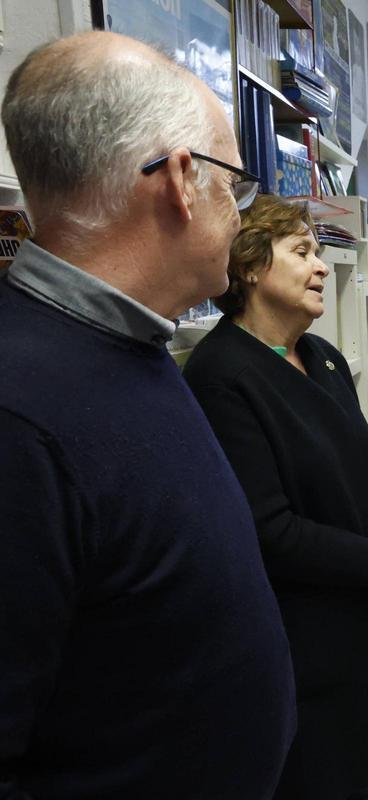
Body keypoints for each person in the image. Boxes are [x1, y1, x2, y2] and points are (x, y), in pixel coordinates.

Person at [0, 32, 295, 797]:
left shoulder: (129, 346)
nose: (240, 214)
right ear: (181, 181)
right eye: (235, 185)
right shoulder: (18, 419)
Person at [182, 195, 368, 799]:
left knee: (352, 776)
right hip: (293, 639)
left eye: (318, 252)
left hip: (351, 625)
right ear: (248, 267)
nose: (321, 267)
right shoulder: (221, 378)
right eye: (302, 253)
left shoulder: (321, 357)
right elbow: (271, 531)